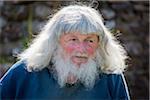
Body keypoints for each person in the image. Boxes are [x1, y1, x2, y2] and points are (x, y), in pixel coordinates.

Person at [0, 5, 130, 100]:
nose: (81, 49)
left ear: (100, 44)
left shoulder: (111, 77)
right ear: (55, 42)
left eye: (89, 40)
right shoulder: (25, 72)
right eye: (73, 39)